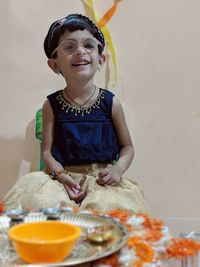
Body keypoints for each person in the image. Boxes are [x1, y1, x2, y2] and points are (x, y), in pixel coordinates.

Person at [3, 14, 149, 214]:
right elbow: (47, 152)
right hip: (62, 178)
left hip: (101, 181)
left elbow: (127, 147)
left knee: (110, 215)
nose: (80, 51)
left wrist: (118, 169)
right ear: (55, 65)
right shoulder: (51, 105)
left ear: (101, 59)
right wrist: (61, 176)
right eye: (69, 47)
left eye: (88, 45)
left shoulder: (111, 103)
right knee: (44, 208)